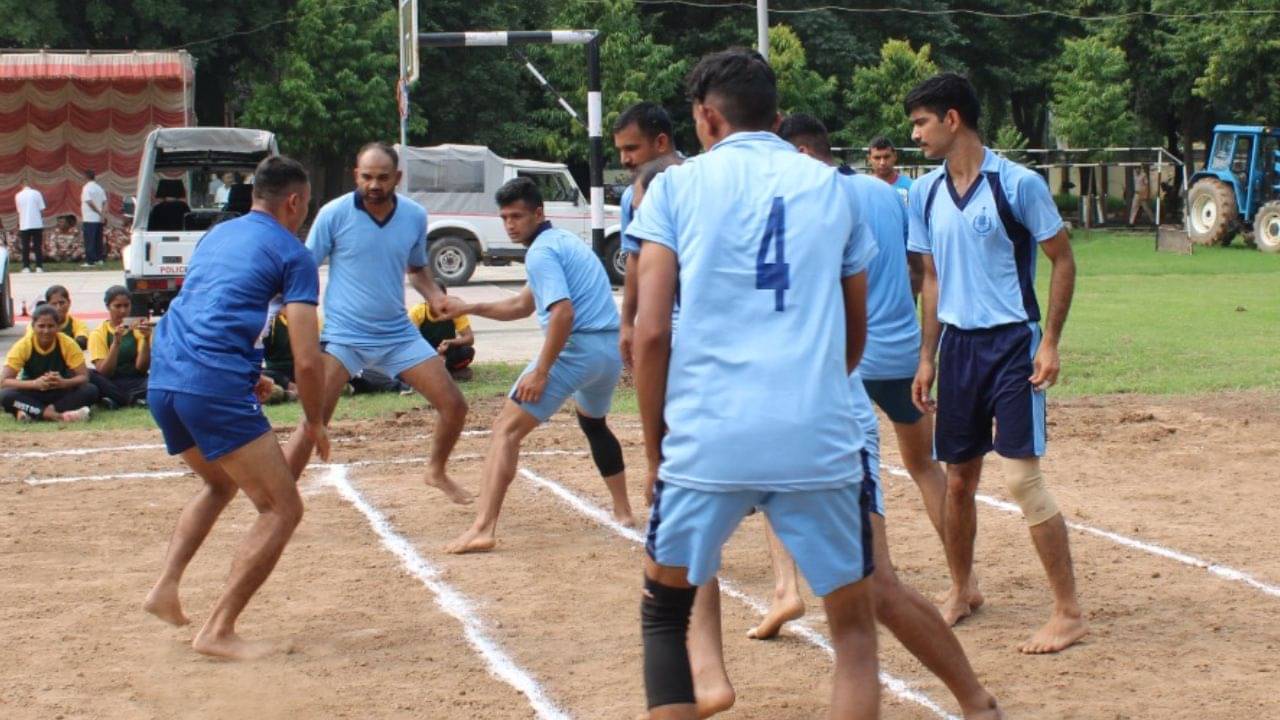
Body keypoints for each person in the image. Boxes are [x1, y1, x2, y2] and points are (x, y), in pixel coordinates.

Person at [627, 49, 880, 719]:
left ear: (707, 118)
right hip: (816, 432)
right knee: (853, 631)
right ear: (773, 113)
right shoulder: (832, 186)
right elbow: (854, 333)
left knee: (663, 615)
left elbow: (649, 333)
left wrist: (657, 449)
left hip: (709, 435)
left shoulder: (675, 188)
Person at [905, 72, 1086, 654]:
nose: (915, 135)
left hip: (1011, 344)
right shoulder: (925, 193)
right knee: (958, 480)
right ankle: (963, 591)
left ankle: (1068, 611)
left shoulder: (1018, 184)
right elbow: (930, 279)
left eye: (921, 122)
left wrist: (1050, 340)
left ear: (952, 119)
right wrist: (926, 356)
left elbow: (1062, 260)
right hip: (956, 348)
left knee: (1020, 478)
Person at [141, 155, 330, 661]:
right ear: (294, 203)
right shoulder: (294, 254)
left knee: (220, 482)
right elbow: (309, 360)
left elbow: (211, 308)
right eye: (305, 206)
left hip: (165, 378)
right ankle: (218, 630)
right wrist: (314, 420)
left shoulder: (219, 235)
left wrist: (252, 374)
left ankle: (166, 586)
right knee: (283, 508)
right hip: (210, 384)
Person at [439, 177, 634, 554]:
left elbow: (562, 314)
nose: (511, 224)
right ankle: (623, 511)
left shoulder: (541, 252)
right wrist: (471, 307)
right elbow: (523, 306)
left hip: (576, 350)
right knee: (593, 423)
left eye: (518, 216)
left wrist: (541, 370)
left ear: (539, 213)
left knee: (504, 432)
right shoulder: (561, 244)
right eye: (505, 217)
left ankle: (483, 527)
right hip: (606, 353)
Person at [283, 142, 470, 501]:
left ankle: (436, 470)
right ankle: (280, 497)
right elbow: (304, 265)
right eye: (367, 177)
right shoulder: (334, 214)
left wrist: (437, 298)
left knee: (455, 405)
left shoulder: (414, 216)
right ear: (356, 175)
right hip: (343, 337)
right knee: (314, 420)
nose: (374, 185)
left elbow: (417, 271)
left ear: (397, 178)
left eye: (383, 178)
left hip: (398, 334)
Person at [612, 102, 679, 368]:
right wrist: (628, 323)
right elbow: (634, 258)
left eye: (631, 148)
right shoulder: (632, 197)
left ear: (660, 142)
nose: (624, 159)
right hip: (663, 322)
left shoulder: (699, 179)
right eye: (620, 150)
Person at [1, 303, 97, 422]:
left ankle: (37, 412)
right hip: (32, 392)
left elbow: (84, 377)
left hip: (60, 391)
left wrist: (64, 382)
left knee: (91, 390)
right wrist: (35, 383)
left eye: (51, 326)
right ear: (33, 326)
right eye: (41, 326)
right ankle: (55, 414)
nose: (46, 331)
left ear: (58, 327)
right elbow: (4, 381)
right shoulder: (23, 345)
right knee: (5, 396)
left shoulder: (68, 343)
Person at [88, 285, 151, 408]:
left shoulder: (137, 328)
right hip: (111, 382)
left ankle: (119, 400)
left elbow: (142, 368)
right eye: (117, 306)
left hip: (136, 380)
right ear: (108, 307)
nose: (122, 311)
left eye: (126, 306)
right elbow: (104, 372)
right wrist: (116, 344)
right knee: (89, 375)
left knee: (159, 380)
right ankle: (132, 399)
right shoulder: (98, 333)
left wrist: (146, 339)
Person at [408, 281, 476, 381]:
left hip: (447, 352)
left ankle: (441, 372)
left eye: (442, 300)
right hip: (425, 353)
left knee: (468, 352)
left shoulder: (454, 310)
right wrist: (434, 353)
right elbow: (410, 341)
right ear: (427, 299)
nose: (438, 305)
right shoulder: (417, 312)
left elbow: (469, 338)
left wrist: (450, 342)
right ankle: (445, 373)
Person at [26, 285, 91, 349]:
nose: (58, 308)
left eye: (62, 303)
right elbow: (29, 343)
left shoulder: (78, 324)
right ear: (47, 305)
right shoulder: (35, 325)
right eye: (54, 304)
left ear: (69, 302)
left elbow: (82, 342)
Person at [868, 136, 913, 204]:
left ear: (895, 156)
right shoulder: (863, 189)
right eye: (877, 158)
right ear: (869, 159)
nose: (882, 162)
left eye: (886, 157)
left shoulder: (911, 187)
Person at [15, 182, 46, 273]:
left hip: (24, 224)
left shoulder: (18, 195)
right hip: (37, 223)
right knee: (37, 246)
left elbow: (19, 211)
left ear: (21, 186)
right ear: (30, 185)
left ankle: (26, 267)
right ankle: (39, 267)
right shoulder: (37, 193)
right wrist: (41, 220)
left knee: (25, 247)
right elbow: (42, 209)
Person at [81, 169, 107, 266]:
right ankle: (99, 259)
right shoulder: (99, 188)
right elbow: (104, 202)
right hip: (98, 219)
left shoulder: (86, 188)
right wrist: (102, 214)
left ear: (86, 177)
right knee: (98, 240)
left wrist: (98, 211)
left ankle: (90, 260)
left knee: (90, 240)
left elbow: (88, 202)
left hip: (89, 217)